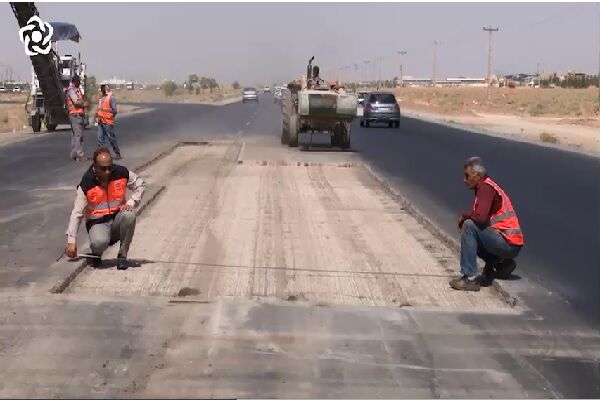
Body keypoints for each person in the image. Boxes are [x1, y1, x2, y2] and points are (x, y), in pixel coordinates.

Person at [450, 157, 524, 291]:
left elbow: (480, 218)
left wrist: (464, 217)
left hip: (507, 243)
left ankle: (469, 278)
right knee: (472, 233)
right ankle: (500, 264)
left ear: (478, 176)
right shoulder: (485, 186)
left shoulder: (485, 188)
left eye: (467, 176)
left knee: (469, 226)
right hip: (511, 244)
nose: (464, 180)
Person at [65, 147, 145, 270]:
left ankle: (122, 256)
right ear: (95, 167)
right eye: (103, 168)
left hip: (118, 218)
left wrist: (132, 202)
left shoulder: (121, 172)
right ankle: (96, 253)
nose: (108, 171)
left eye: (110, 167)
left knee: (130, 215)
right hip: (98, 223)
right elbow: (77, 213)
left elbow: (140, 184)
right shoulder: (87, 184)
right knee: (99, 242)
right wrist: (71, 241)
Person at [95, 84, 122, 160]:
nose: (101, 89)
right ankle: (102, 155)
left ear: (106, 88)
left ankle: (117, 153)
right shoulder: (101, 97)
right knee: (100, 139)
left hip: (107, 121)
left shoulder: (111, 97)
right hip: (100, 120)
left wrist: (110, 117)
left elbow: (114, 111)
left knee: (111, 138)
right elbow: (99, 109)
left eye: (103, 87)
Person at [65, 75, 88, 161]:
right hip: (76, 115)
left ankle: (74, 153)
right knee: (79, 135)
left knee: (75, 135)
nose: (80, 83)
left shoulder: (76, 90)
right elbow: (76, 102)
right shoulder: (72, 90)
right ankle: (79, 154)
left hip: (76, 114)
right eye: (79, 82)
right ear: (75, 82)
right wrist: (84, 104)